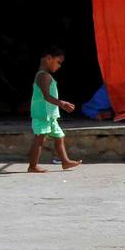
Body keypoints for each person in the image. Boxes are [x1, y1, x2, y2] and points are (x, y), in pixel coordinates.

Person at [29, 45, 81, 173]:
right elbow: (46, 96)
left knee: (59, 137)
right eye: (58, 62)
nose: (59, 66)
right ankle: (32, 166)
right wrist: (62, 103)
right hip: (42, 114)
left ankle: (65, 162)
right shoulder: (43, 76)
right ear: (48, 58)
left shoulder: (45, 76)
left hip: (50, 115)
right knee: (39, 139)